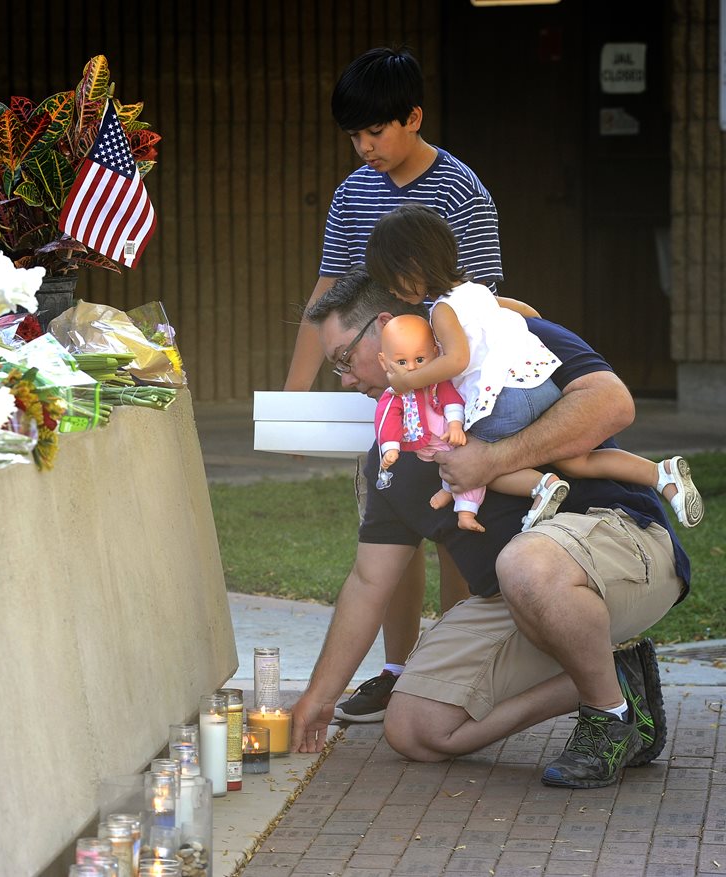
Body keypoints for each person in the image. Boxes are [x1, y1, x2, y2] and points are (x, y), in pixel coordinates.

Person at [290, 269, 690, 789]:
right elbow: (369, 583)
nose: (345, 379)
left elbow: (612, 403)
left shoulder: (506, 340)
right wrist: (318, 700)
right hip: (517, 594)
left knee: (525, 561)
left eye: (344, 360)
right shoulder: (388, 465)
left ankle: (606, 718)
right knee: (416, 730)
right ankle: (617, 681)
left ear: (385, 327)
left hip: (621, 540)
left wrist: (493, 459)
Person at [283, 45, 506, 723]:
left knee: (454, 532)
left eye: (375, 132)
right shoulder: (354, 193)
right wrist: (295, 398)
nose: (363, 147)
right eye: (353, 135)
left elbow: (484, 302)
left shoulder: (463, 191)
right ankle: (398, 670)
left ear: (413, 117)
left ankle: (458, 673)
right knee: (392, 529)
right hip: (382, 404)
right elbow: (326, 295)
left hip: (448, 399)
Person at [367, 204, 704, 530]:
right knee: (574, 457)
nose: (392, 290)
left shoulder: (441, 310)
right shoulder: (478, 291)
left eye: (392, 280)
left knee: (470, 460)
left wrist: (408, 382)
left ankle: (542, 488)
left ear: (412, 266)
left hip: (503, 401)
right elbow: (530, 313)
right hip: (541, 385)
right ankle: (661, 474)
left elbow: (457, 360)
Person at [374, 313, 559, 534]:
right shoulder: (394, 396)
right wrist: (390, 447)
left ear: (435, 353)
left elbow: (451, 400)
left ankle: (470, 510)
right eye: (402, 362)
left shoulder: (436, 382)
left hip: (458, 436)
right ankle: (450, 492)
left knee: (476, 472)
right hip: (437, 445)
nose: (412, 368)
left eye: (420, 359)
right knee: (453, 468)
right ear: (384, 361)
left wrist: (454, 425)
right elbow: (387, 420)